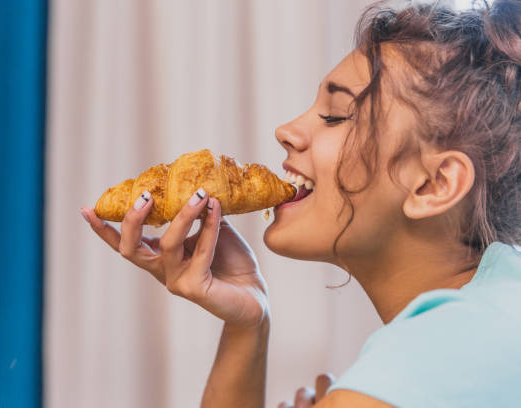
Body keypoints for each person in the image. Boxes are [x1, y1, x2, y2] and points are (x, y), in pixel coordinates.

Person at [81, 0, 521, 406]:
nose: (287, 130)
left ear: (434, 184)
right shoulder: (490, 318)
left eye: (335, 116)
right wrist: (247, 325)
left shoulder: (438, 357)